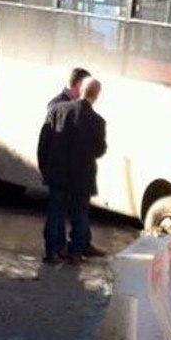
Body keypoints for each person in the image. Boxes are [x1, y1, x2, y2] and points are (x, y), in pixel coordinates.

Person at [38, 76, 107, 264]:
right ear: (96, 95)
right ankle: (76, 253)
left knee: (55, 212)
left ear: (80, 90)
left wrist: (45, 168)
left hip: (57, 173)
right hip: (82, 176)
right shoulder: (97, 121)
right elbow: (99, 149)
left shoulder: (57, 110)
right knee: (80, 214)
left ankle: (51, 252)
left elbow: (44, 141)